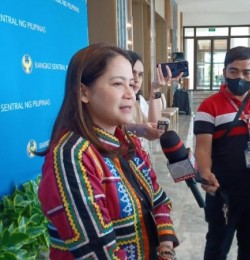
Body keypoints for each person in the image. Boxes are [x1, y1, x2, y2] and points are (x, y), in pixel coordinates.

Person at [36, 43, 178, 259]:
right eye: (118, 84)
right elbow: (97, 250)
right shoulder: (71, 155)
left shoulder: (128, 142)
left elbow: (158, 199)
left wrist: (166, 247)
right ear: (83, 92)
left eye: (132, 84)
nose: (130, 93)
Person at [193, 46, 250, 260]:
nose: (240, 77)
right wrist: (205, 172)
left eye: (247, 72)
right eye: (233, 71)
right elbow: (203, 147)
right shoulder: (209, 106)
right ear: (224, 72)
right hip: (223, 192)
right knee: (216, 249)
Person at [125, 50, 182, 140]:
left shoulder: (139, 102)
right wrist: (139, 129)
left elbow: (154, 128)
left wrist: (155, 88)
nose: (136, 79)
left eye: (140, 75)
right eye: (133, 72)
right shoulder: (112, 103)